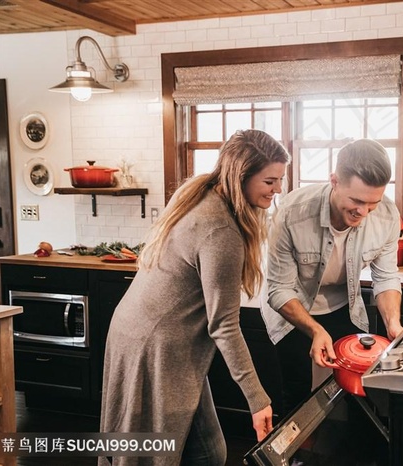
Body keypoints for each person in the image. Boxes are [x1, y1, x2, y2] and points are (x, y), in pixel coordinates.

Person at [99, 129, 290, 466]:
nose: (277, 190)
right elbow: (225, 326)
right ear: (240, 175)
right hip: (157, 345)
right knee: (183, 453)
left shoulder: (199, 193)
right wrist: (258, 400)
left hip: (137, 332)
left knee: (204, 449)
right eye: (270, 181)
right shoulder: (220, 230)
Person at [262, 138, 403, 415]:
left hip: (344, 307)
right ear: (335, 181)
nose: (363, 212)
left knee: (355, 393)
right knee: (299, 394)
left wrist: (393, 323)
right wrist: (315, 330)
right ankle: (298, 457)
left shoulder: (387, 215)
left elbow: (386, 277)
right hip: (293, 310)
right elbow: (279, 288)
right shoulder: (292, 213)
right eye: (356, 200)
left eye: (372, 203)